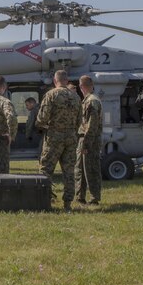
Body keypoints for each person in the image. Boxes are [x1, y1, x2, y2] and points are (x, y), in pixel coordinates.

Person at [36, 69, 82, 211]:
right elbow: (79, 121)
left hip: (54, 137)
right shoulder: (76, 97)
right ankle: (67, 204)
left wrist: (42, 125)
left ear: (55, 81)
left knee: (46, 169)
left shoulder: (51, 95)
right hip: (71, 138)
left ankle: (46, 200)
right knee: (69, 171)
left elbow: (41, 118)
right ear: (67, 81)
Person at [74, 75, 103, 205]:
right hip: (85, 139)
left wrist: (86, 144)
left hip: (89, 140)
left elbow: (92, 126)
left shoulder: (92, 101)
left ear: (81, 87)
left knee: (91, 169)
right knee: (80, 169)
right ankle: (80, 196)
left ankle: (94, 198)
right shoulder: (88, 100)